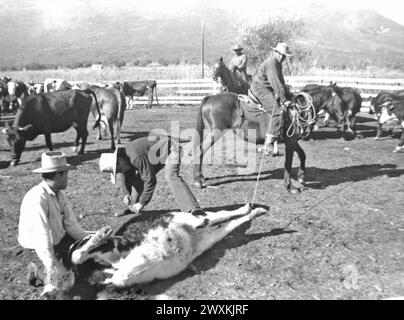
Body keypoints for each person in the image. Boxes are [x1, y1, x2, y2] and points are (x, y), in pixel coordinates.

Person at [18, 151, 110, 297]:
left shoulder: (60, 194)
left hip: (58, 236)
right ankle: (37, 271)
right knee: (66, 284)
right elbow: (42, 239)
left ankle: (58, 263)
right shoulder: (38, 198)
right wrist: (52, 268)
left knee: (85, 267)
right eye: (66, 174)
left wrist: (95, 236)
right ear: (57, 175)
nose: (68, 177)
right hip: (40, 243)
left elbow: (72, 226)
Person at [99, 135, 206, 218]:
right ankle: (132, 207)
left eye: (118, 169)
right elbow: (126, 178)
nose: (120, 172)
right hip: (157, 155)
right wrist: (126, 194)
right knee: (139, 178)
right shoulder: (125, 158)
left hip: (171, 149)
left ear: (119, 160)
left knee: (171, 175)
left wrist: (142, 203)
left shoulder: (135, 156)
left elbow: (150, 180)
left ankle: (192, 207)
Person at [250, 42, 293, 155]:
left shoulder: (278, 64)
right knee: (278, 112)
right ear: (276, 53)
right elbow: (276, 83)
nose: (283, 58)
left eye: (285, 56)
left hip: (266, 87)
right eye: (282, 55)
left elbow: (281, 81)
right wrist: (284, 99)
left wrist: (287, 92)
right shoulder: (271, 63)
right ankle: (268, 144)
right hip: (260, 88)